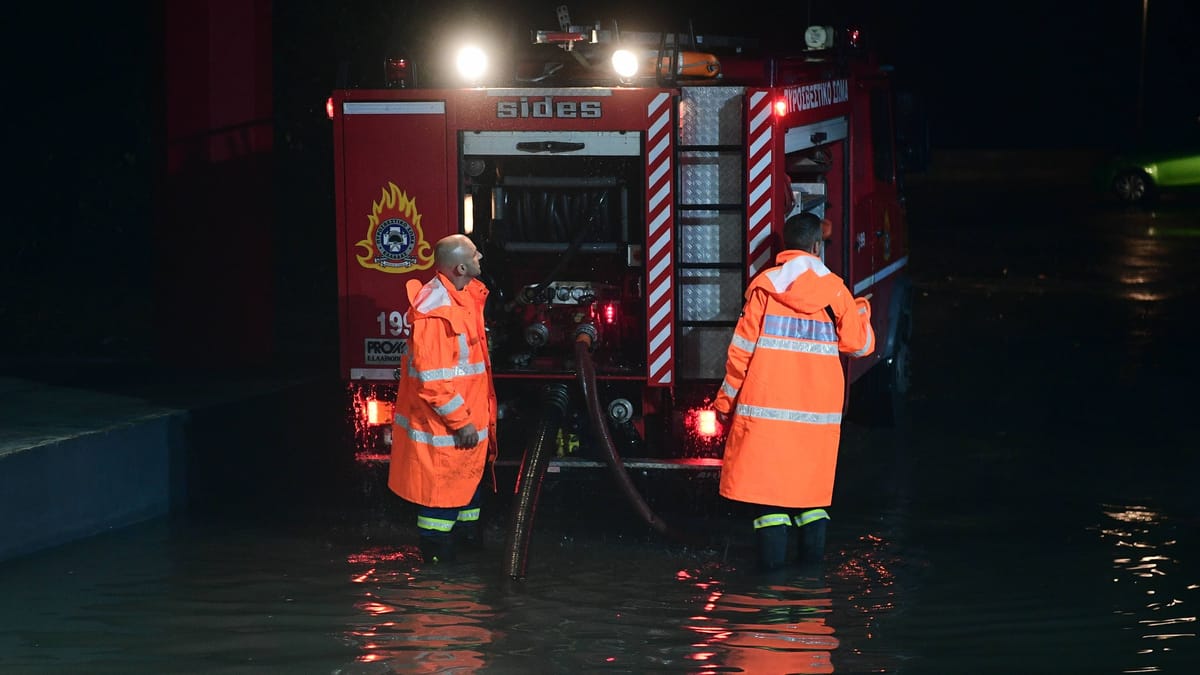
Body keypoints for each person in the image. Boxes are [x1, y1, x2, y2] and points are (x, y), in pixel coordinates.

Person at [712, 211, 875, 572]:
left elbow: (740, 353)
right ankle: (810, 587)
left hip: (768, 414)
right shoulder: (837, 291)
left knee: (770, 504)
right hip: (816, 420)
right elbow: (860, 346)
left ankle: (770, 590)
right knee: (811, 498)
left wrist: (724, 403)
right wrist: (862, 310)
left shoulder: (764, 287)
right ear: (817, 246)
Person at [389, 234, 497, 564]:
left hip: (463, 434)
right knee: (440, 509)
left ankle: (464, 568)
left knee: (463, 499)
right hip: (447, 433)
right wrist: (461, 422)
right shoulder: (437, 314)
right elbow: (432, 381)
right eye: (475, 254)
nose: (481, 255)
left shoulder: (463, 297)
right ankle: (438, 583)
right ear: (460, 267)